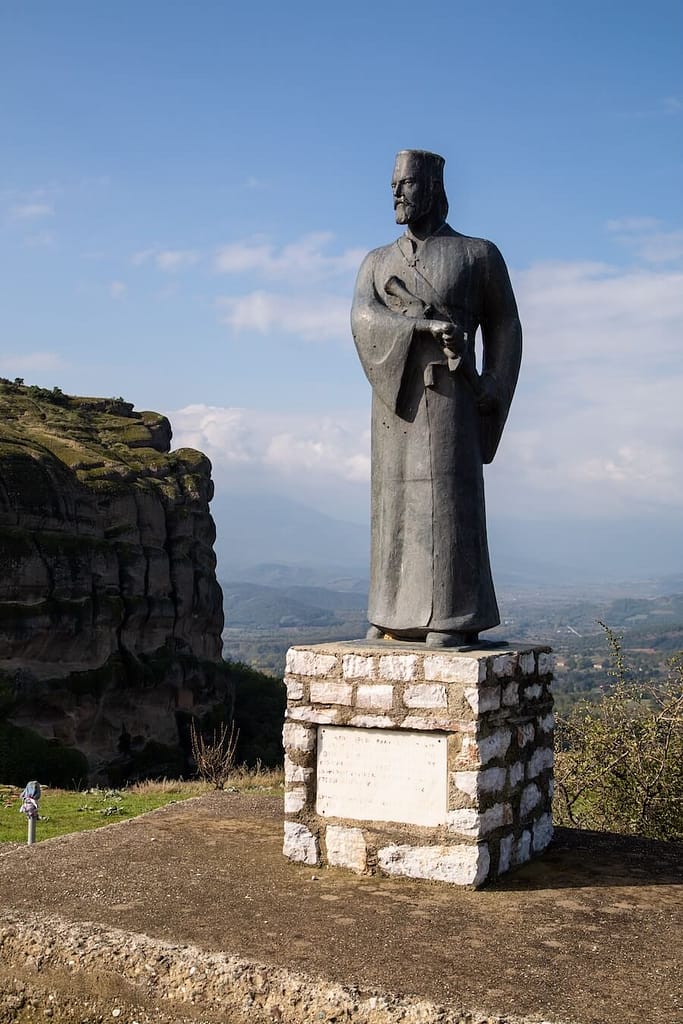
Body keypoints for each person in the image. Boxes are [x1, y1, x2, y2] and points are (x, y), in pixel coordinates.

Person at [351, 150, 522, 648]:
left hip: (453, 399)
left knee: (449, 500)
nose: (396, 195)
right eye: (392, 186)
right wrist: (420, 326)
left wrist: (493, 382)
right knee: (393, 504)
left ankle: (452, 615)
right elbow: (362, 321)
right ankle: (391, 613)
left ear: (431, 187)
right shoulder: (377, 263)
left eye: (405, 184)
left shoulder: (477, 254)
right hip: (396, 398)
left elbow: (505, 325)